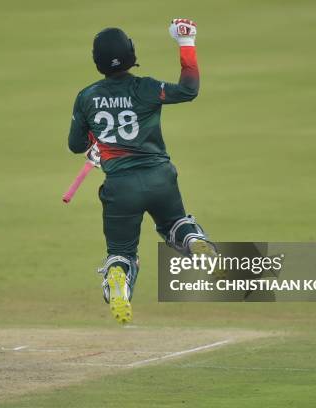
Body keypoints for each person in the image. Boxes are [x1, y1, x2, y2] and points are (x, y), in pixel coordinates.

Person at [67, 19, 216, 324]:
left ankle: (119, 278)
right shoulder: (145, 88)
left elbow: (75, 144)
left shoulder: (86, 97)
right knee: (175, 224)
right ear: (131, 54)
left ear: (97, 61)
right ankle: (191, 241)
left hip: (120, 187)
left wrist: (96, 142)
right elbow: (189, 90)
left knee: (121, 252)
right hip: (160, 178)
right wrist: (186, 42)